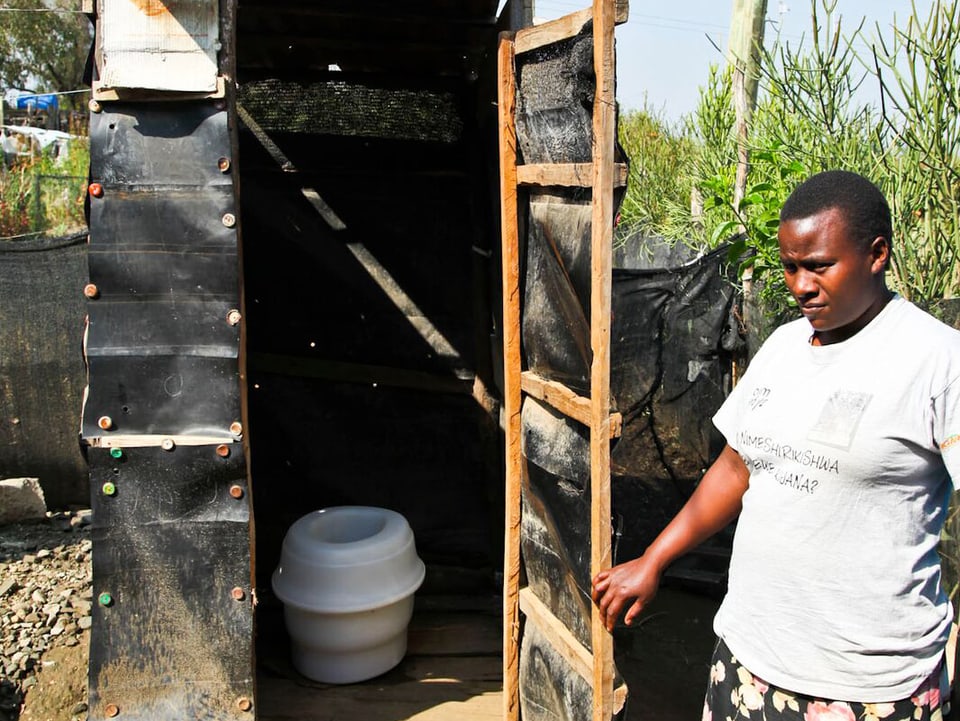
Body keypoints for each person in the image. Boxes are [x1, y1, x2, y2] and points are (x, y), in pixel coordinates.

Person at [591, 169, 960, 720]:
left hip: (869, 687)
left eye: (819, 266)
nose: (800, 286)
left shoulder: (937, 359)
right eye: (790, 267)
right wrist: (655, 559)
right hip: (748, 659)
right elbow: (736, 468)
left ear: (877, 254)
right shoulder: (786, 347)